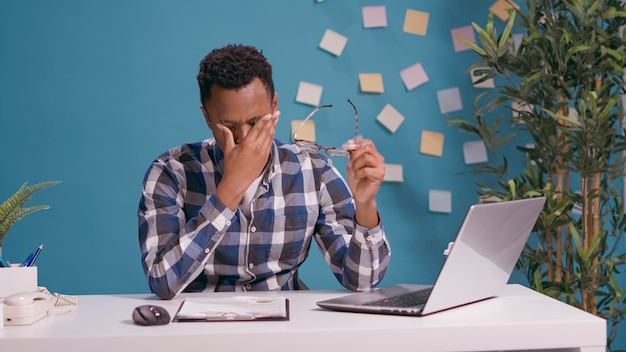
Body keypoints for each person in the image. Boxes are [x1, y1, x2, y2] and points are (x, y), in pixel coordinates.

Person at [138, 44, 391, 299]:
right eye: (228, 125)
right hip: (201, 329)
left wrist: (365, 205)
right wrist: (231, 186)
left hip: (283, 329)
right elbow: (163, 282)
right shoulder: (171, 171)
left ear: (274, 105)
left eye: (255, 122)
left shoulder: (314, 171)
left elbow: (363, 282)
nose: (245, 138)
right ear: (207, 117)